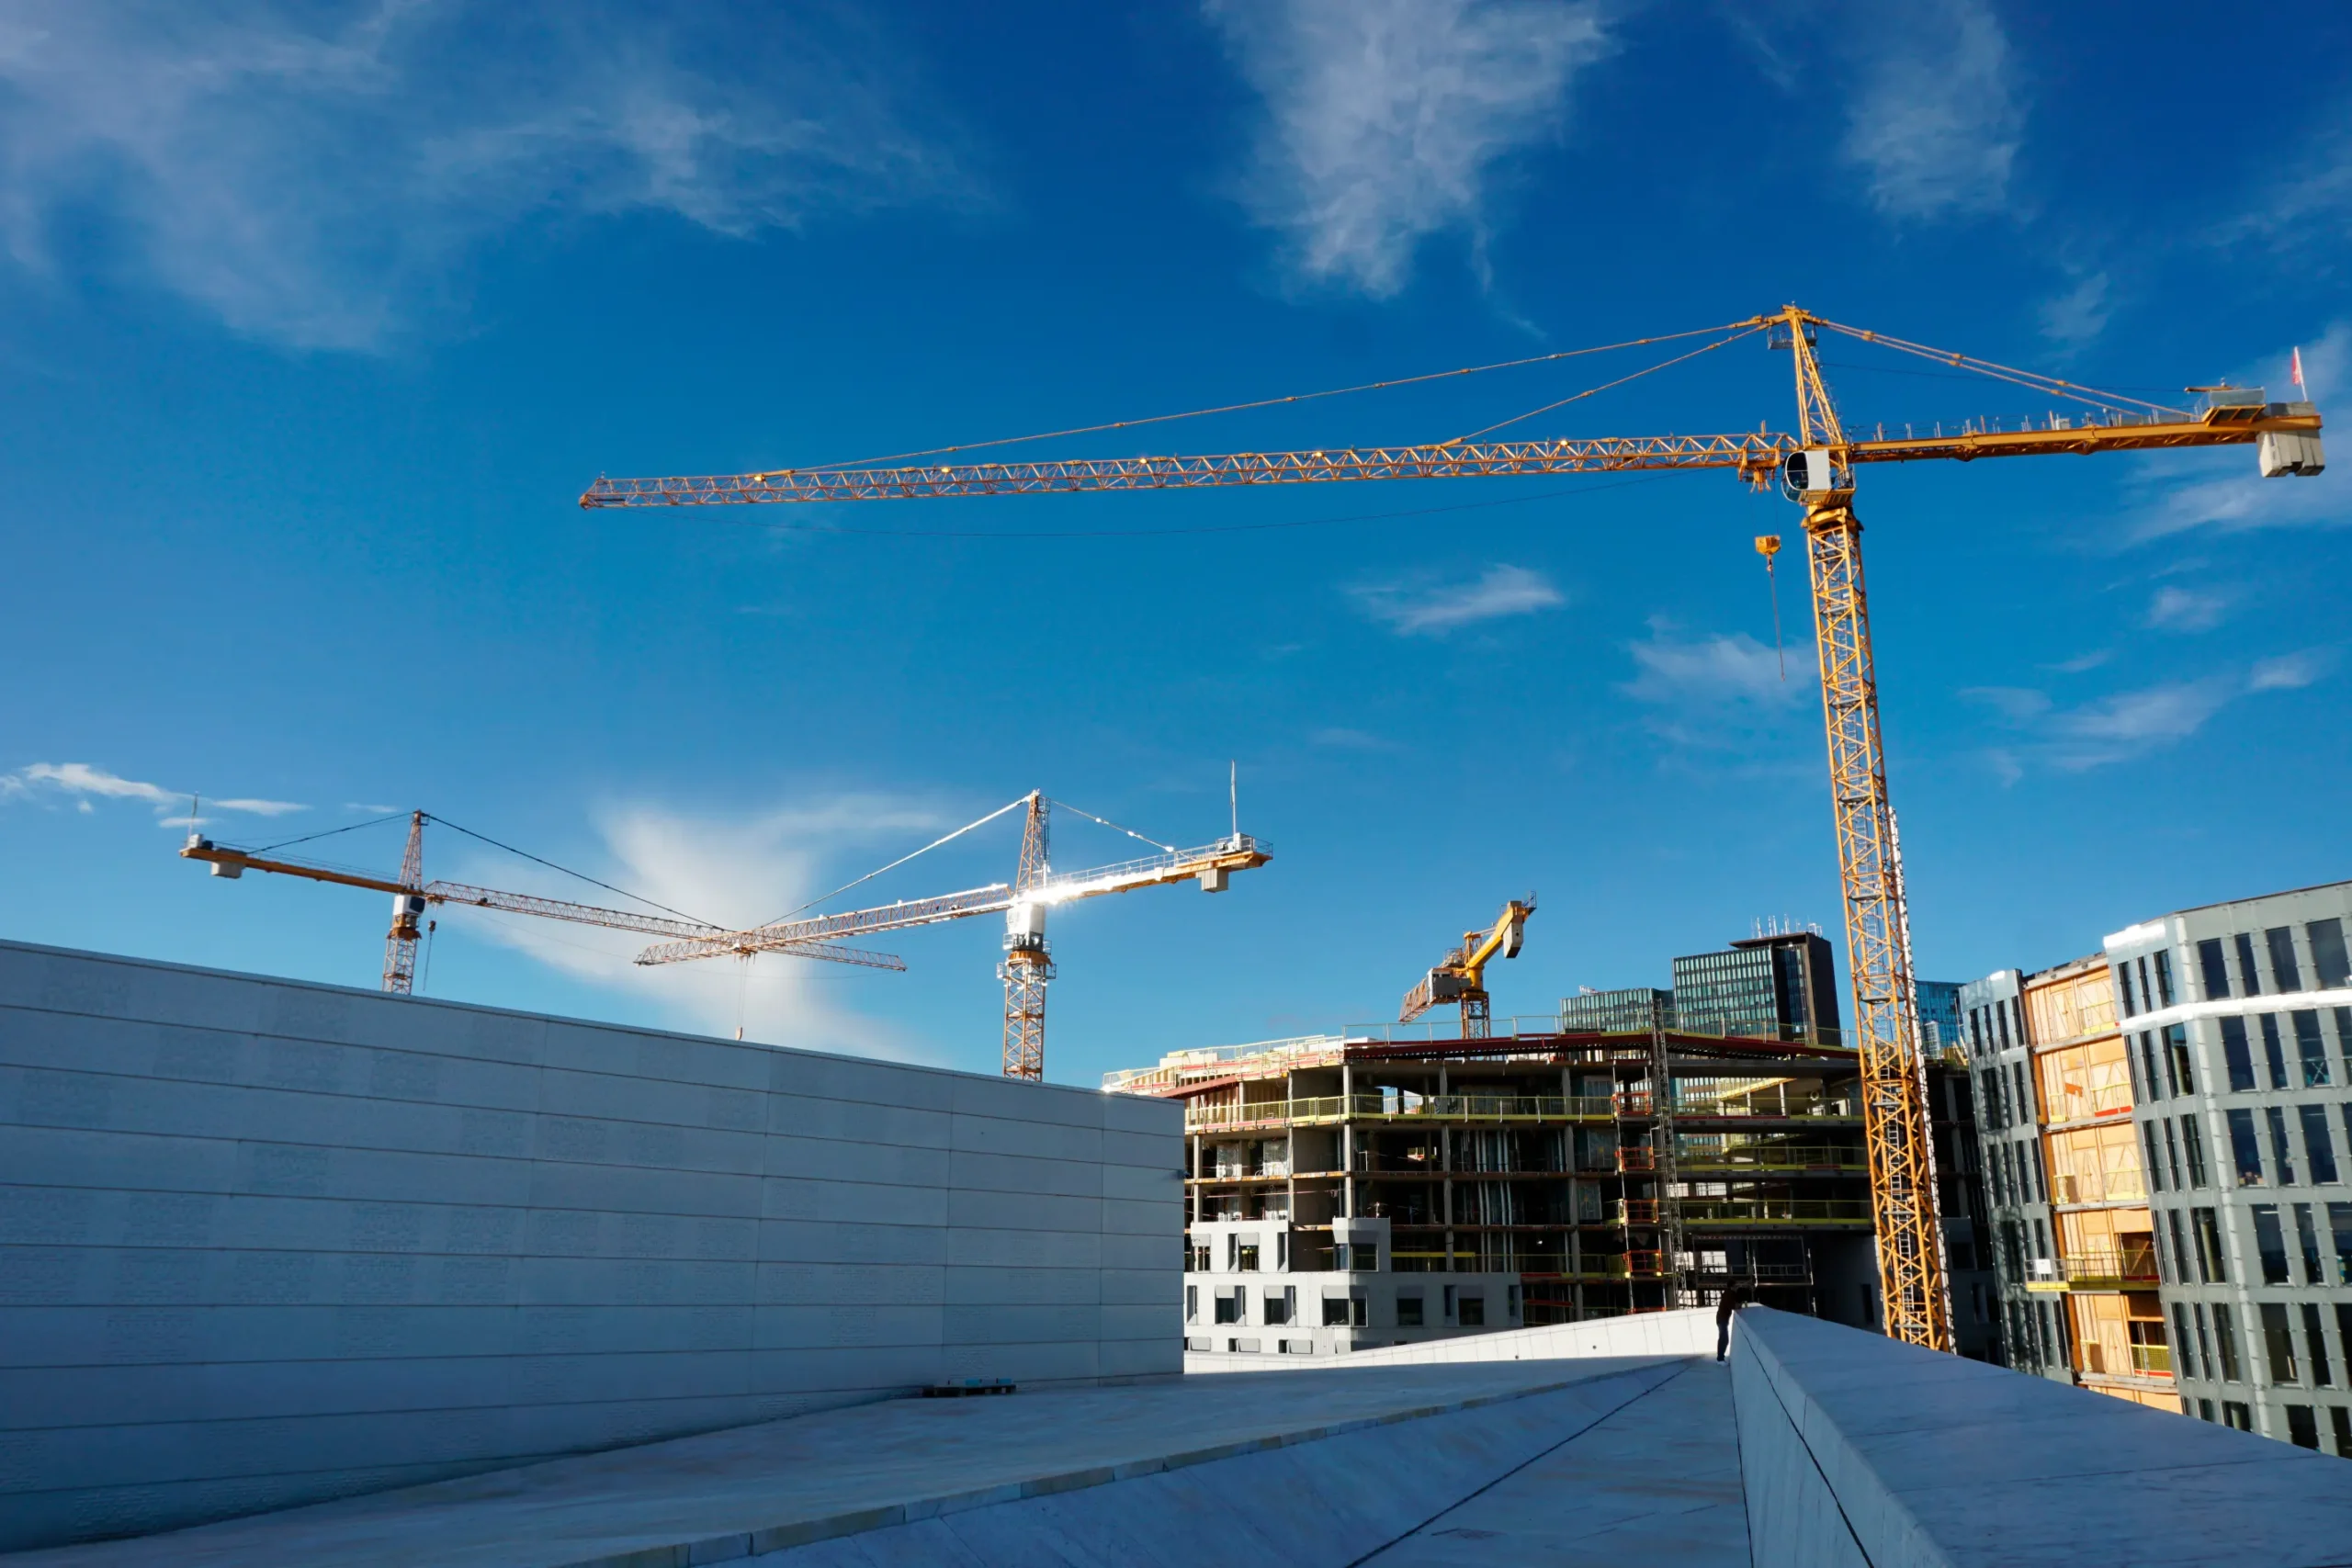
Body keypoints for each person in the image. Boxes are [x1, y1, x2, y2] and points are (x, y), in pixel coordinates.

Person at [1715, 1285, 1752, 1362]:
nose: (1736, 1288)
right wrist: (1741, 1305)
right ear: (1732, 1287)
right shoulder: (1729, 1294)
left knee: (1724, 1339)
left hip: (1722, 1319)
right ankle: (1720, 1359)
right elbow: (1732, 1306)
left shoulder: (1728, 1293)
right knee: (1723, 1338)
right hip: (1722, 1319)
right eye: (1735, 1286)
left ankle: (1721, 1357)